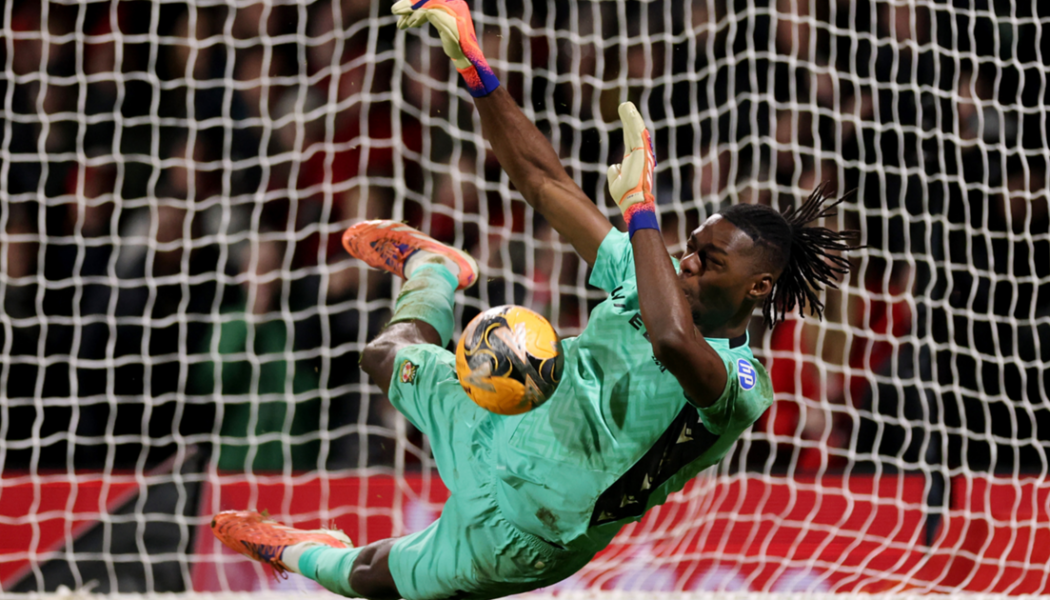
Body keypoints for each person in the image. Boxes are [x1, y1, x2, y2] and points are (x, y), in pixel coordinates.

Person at [210, 1, 857, 598]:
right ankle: (435, 269)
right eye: (688, 246)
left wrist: (640, 211)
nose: (685, 261)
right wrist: (474, 66)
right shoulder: (646, 271)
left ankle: (300, 552)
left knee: (374, 579)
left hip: (533, 530)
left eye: (707, 260)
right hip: (496, 414)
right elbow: (544, 182)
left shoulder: (742, 385)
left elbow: (671, 339)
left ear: (758, 288)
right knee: (383, 354)